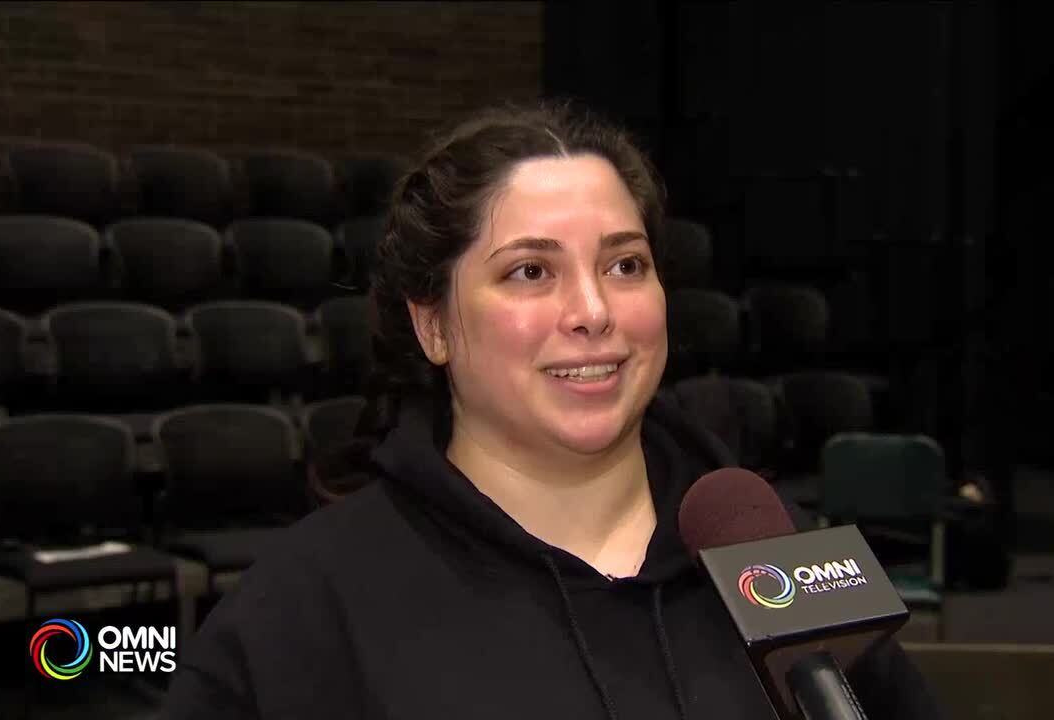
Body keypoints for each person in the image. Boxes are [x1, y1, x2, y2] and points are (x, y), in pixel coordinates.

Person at [160, 102, 943, 720]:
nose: (593, 309)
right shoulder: (307, 604)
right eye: (531, 271)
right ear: (433, 323)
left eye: (625, 264)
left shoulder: (772, 552)